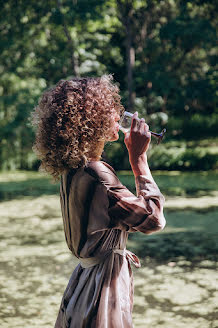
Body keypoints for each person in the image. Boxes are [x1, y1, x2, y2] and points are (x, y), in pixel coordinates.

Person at [31, 74, 166, 328]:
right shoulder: (97, 174)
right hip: (102, 290)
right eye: (111, 109)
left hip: (84, 283)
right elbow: (153, 219)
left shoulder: (74, 169)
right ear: (91, 121)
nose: (119, 115)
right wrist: (139, 159)